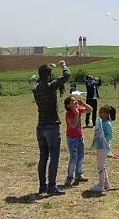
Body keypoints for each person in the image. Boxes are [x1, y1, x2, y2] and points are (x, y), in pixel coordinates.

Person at [33, 61, 70, 196]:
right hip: (51, 126)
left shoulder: (36, 89)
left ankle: (42, 186)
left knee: (43, 156)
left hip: (40, 126)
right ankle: (52, 186)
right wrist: (64, 65)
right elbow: (66, 76)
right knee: (54, 157)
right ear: (49, 76)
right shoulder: (50, 87)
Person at [63, 95, 92, 187]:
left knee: (81, 157)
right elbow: (73, 125)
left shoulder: (78, 109)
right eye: (72, 101)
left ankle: (78, 175)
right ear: (68, 105)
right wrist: (76, 113)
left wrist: (82, 103)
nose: (75, 102)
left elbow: (90, 109)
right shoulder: (69, 114)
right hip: (72, 139)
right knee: (73, 158)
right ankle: (69, 178)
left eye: (75, 100)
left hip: (80, 138)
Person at [90, 105, 116, 193]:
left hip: (103, 146)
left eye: (103, 113)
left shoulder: (107, 123)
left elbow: (110, 135)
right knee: (102, 164)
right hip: (100, 146)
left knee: (100, 165)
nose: (100, 114)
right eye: (100, 112)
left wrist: (104, 139)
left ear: (107, 114)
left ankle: (101, 185)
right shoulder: (101, 123)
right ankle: (106, 183)